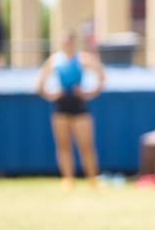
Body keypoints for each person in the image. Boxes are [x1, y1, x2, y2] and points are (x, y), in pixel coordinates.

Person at [34, 31, 106, 190]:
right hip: (61, 106)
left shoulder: (83, 58)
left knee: (86, 145)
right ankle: (68, 179)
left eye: (71, 42)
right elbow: (39, 85)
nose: (68, 45)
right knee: (63, 145)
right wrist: (51, 94)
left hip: (79, 105)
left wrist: (89, 92)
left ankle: (92, 179)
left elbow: (102, 76)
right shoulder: (55, 60)